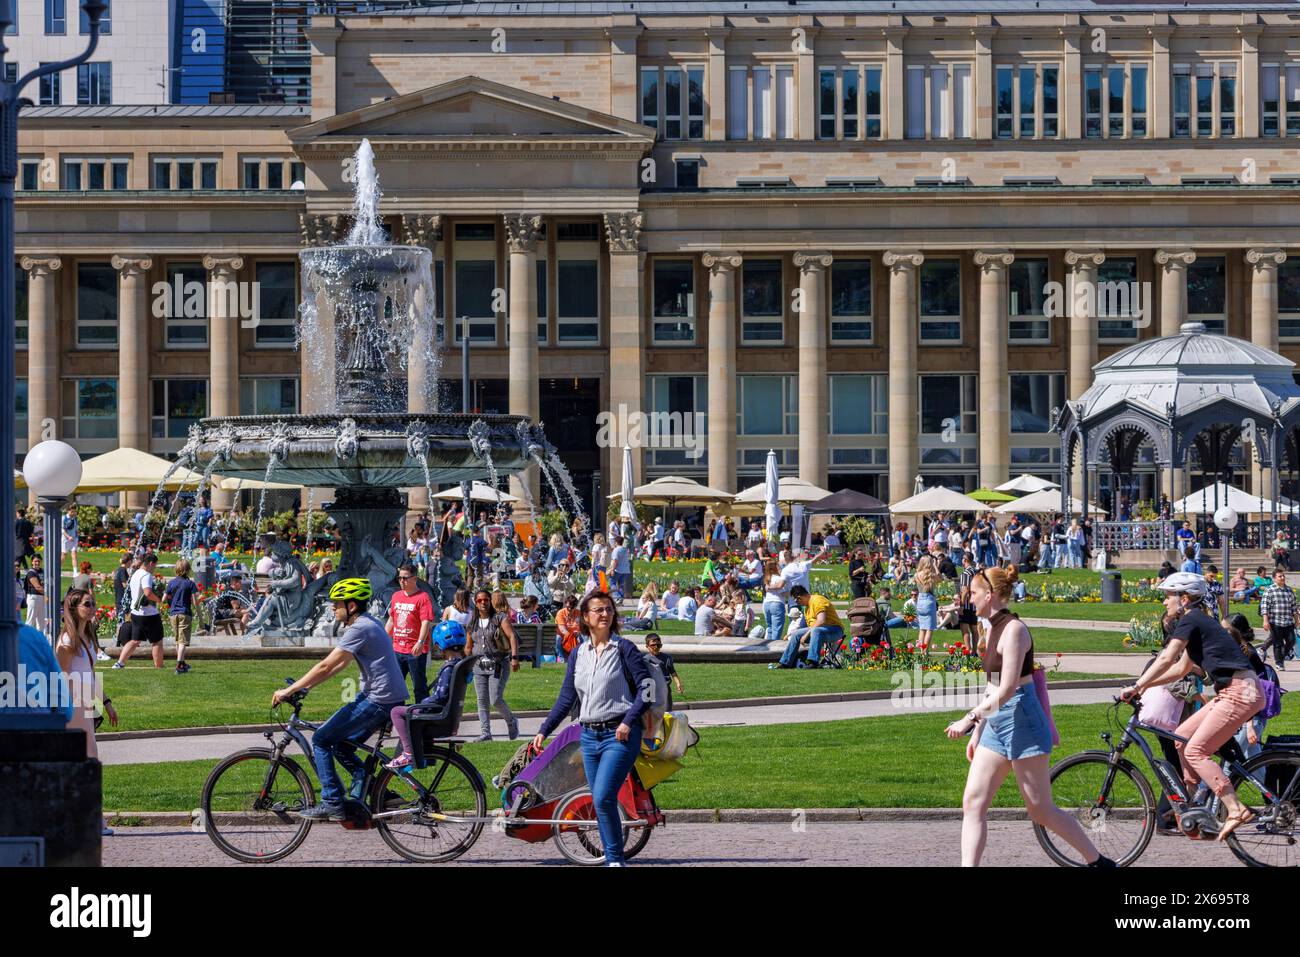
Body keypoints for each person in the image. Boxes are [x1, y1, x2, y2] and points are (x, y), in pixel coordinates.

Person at [945, 566, 1113, 867]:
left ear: (990, 594)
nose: (969, 598)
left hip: (1022, 718)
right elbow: (992, 687)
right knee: (973, 803)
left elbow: (1008, 688)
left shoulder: (1015, 630)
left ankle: (1098, 862)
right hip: (997, 723)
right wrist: (980, 730)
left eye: (972, 592)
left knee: (1040, 810)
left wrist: (969, 719)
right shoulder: (989, 627)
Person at [1120, 572, 1264, 841]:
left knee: (1196, 751)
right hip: (1236, 691)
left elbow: (1166, 658)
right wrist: (1143, 686)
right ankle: (1193, 806)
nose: (1164, 602)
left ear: (1184, 598)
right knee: (1182, 737)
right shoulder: (1199, 622)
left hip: (1240, 692)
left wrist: (1137, 686)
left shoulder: (1190, 618)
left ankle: (1235, 808)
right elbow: (1180, 669)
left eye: (1168, 596)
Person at [532, 591, 653, 866]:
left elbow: (647, 691)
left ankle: (614, 860)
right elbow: (567, 697)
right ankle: (614, 858)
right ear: (585, 617)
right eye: (598, 610)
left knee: (602, 796)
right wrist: (544, 729)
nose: (604, 614)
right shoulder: (578, 653)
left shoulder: (624, 649)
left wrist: (628, 721)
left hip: (619, 735)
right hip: (589, 735)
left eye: (608, 610)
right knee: (602, 801)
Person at [273, 578, 408, 820]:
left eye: (337, 604)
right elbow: (340, 665)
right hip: (385, 698)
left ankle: (332, 801)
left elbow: (326, 665)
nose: (333, 608)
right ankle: (378, 792)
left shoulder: (360, 628)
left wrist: (290, 690)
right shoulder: (367, 623)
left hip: (379, 701)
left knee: (322, 739)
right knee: (343, 747)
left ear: (352, 606)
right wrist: (308, 686)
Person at [385, 620, 469, 771]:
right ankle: (423, 756)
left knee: (396, 712)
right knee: (409, 710)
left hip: (437, 712)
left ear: (438, 645)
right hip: (445, 713)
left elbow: (440, 696)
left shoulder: (449, 668)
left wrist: (424, 702)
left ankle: (408, 752)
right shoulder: (459, 665)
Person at [464, 589, 521, 741]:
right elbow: (468, 646)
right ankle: (486, 733)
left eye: (486, 600)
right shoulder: (472, 622)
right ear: (475, 603)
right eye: (479, 601)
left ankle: (511, 721)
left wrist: (514, 658)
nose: (483, 603)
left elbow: (512, 636)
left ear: (490, 601)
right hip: (479, 665)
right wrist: (464, 665)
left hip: (498, 663)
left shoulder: (499, 618)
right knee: (481, 700)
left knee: (495, 699)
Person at [387, 563, 435, 702]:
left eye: (405, 578)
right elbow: (392, 619)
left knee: (419, 686)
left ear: (415, 579)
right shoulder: (396, 596)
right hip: (397, 649)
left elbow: (426, 622)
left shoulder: (423, 597)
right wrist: (384, 638)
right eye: (400, 578)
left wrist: (420, 642)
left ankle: (423, 716)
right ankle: (397, 715)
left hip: (415, 651)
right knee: (396, 686)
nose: (402, 581)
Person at [114, 553, 165, 670]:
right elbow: (147, 593)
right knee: (157, 641)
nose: (154, 568)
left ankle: (120, 663)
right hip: (148, 613)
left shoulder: (136, 573)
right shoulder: (146, 575)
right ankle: (159, 666)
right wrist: (158, 599)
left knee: (135, 640)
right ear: (151, 563)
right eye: (154, 566)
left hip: (135, 612)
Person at [779, 585, 844, 669]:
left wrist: (806, 635)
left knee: (815, 631)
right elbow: (808, 627)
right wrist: (790, 634)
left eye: (797, 601)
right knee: (796, 634)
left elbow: (821, 621)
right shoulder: (806, 608)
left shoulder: (817, 600)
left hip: (835, 630)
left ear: (800, 597)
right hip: (819, 631)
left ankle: (813, 662)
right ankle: (785, 663)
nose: (798, 604)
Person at [162, 558, 199, 674]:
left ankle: (182, 663)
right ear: (188, 570)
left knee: (178, 640)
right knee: (183, 641)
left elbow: (163, 599)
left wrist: (171, 600)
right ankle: (179, 665)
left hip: (173, 614)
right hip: (185, 613)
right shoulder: (190, 583)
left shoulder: (171, 583)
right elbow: (194, 601)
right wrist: (198, 605)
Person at [1257, 567, 1296, 669]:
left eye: (1283, 576)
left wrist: (1297, 619)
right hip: (1275, 622)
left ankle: (1281, 656)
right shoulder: (1269, 590)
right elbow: (1264, 607)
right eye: (1280, 576)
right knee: (1278, 643)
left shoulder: (1289, 590)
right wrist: (1265, 621)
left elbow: (1293, 606)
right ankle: (1279, 663)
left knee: (1292, 641)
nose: (1282, 577)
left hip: (1288, 621)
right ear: (1274, 578)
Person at [644, 633, 682, 709]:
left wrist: (678, 683)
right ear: (647, 646)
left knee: (667, 711)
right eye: (653, 645)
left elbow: (672, 672)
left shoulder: (667, 658)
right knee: (652, 712)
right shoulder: (645, 659)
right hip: (651, 690)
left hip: (665, 689)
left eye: (658, 645)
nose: (656, 647)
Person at [913, 555, 939, 654]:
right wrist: (936, 566)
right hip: (929, 601)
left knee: (922, 628)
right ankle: (925, 651)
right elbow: (940, 578)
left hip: (920, 601)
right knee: (929, 628)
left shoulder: (917, 574)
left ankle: (921, 651)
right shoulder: (931, 575)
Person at [21, 554, 45, 632]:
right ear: (32, 562)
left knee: (41, 622)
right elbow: (37, 586)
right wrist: (48, 594)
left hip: (42, 597)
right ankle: (25, 639)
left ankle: (40, 640)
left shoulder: (43, 571)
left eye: (38, 561)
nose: (37, 563)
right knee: (31, 620)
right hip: (33, 597)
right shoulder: (31, 572)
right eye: (35, 561)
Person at [555, 594, 581, 661]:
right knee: (558, 638)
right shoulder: (561, 613)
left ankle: (580, 657)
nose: (569, 609)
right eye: (567, 607)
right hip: (563, 636)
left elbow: (584, 627)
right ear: (565, 605)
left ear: (575, 606)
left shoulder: (579, 613)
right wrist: (571, 636)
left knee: (583, 637)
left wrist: (579, 632)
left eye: (572, 607)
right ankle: (562, 658)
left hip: (576, 636)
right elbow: (562, 629)